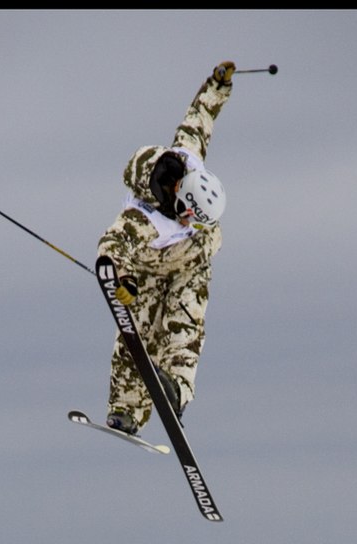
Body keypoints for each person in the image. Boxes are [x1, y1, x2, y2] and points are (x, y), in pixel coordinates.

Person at [97, 61, 236, 436]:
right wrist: (122, 279)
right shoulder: (145, 218)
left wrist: (217, 86)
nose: (193, 225)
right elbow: (112, 244)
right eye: (194, 219)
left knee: (186, 325)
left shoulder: (188, 157)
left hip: (191, 268)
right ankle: (126, 408)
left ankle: (175, 388)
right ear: (182, 202)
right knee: (137, 330)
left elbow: (199, 120)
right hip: (147, 272)